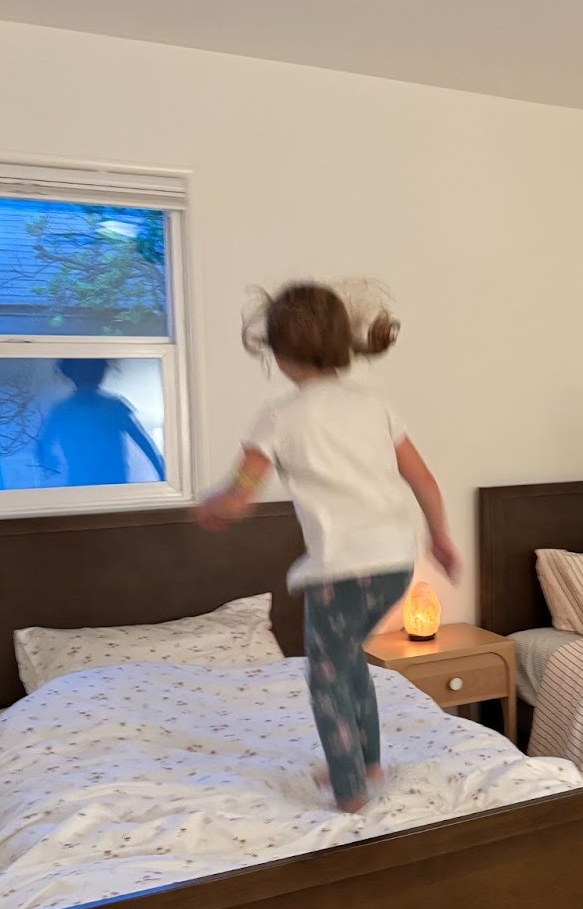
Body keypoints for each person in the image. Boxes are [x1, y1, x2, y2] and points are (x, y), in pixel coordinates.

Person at [195, 282, 461, 813]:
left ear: (281, 356)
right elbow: (424, 481)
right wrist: (440, 536)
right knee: (348, 660)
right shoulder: (375, 406)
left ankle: (350, 795)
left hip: (341, 569)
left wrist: (215, 505)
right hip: (393, 564)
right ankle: (367, 760)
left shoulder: (280, 415)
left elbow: (243, 494)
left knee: (325, 674)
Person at [38, 358, 166, 487]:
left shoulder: (63, 410)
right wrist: (161, 470)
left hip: (87, 486)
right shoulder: (113, 407)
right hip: (109, 485)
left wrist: (47, 461)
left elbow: (44, 445)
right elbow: (143, 441)